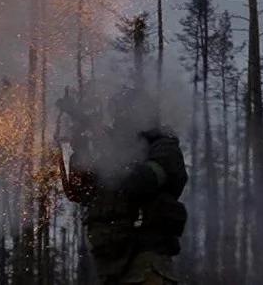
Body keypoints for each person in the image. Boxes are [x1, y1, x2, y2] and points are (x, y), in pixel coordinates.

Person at [57, 87, 187, 284]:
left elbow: (142, 181)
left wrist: (107, 148)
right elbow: (79, 193)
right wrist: (81, 146)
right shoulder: (110, 148)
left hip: (146, 258)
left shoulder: (162, 146)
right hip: (109, 262)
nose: (119, 118)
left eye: (125, 111)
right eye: (116, 111)